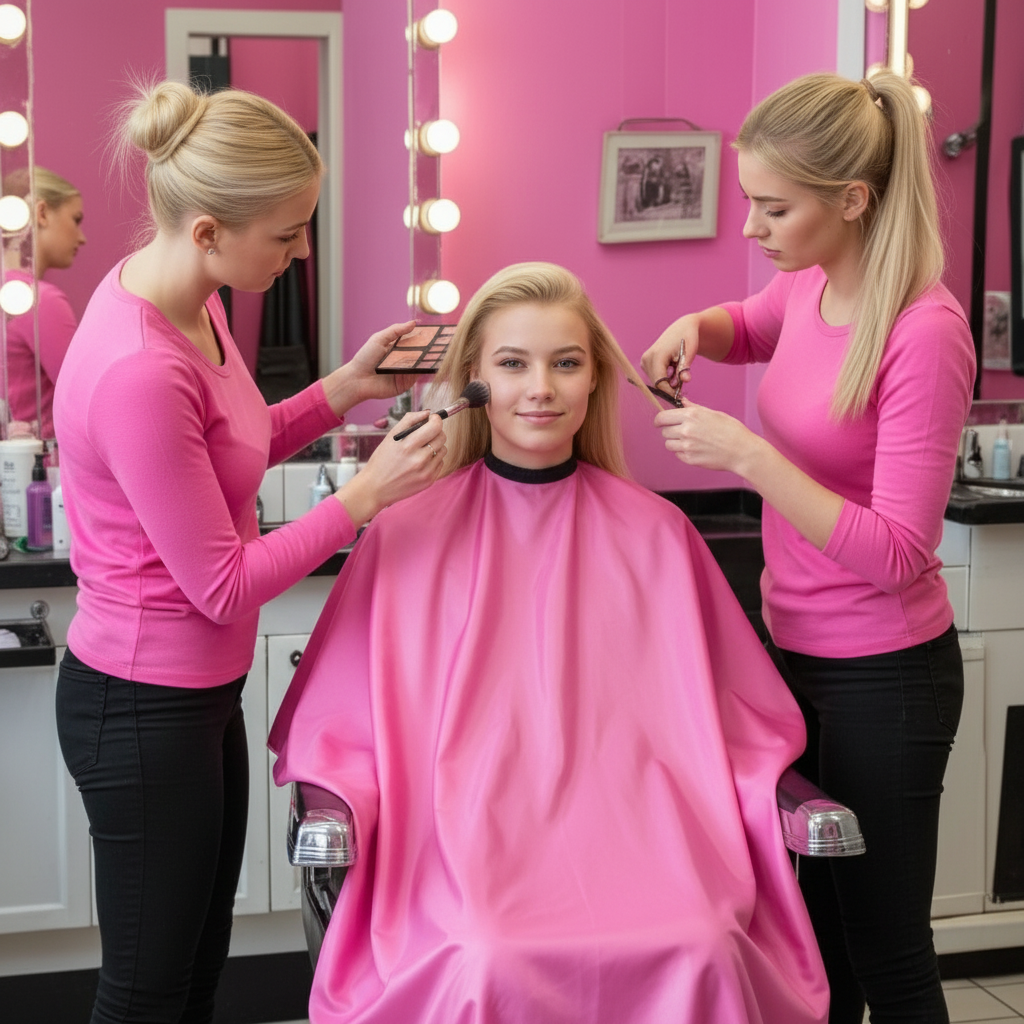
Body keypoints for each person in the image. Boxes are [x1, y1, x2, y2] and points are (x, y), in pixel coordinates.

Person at [269, 262, 830, 1024]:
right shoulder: (405, 534)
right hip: (462, 852)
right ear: (474, 379)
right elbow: (340, 731)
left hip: (645, 845)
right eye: (513, 364)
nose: (541, 389)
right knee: (484, 951)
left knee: (704, 941)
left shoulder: (659, 535)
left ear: (595, 378)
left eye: (566, 363)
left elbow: (739, 727)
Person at [52, 81, 447, 1024]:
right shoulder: (140, 369)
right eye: (286, 234)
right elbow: (223, 587)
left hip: (194, 700)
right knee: (146, 993)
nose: (301, 251)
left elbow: (232, 443)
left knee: (196, 973)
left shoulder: (190, 301)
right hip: (140, 708)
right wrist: (364, 496)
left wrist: (344, 387)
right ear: (207, 231)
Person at [641, 71, 976, 1024]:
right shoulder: (809, 282)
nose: (752, 226)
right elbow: (747, 328)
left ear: (853, 200)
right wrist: (692, 328)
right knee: (814, 946)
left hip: (887, 676)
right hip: (796, 656)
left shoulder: (924, 334)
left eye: (774, 207)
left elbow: (900, 552)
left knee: (886, 952)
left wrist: (749, 457)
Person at [2, 166, 86, 437]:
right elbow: (85, 400)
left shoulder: (11, 295)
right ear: (42, 213)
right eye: (76, 219)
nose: (82, 238)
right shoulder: (40, 301)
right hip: (42, 459)